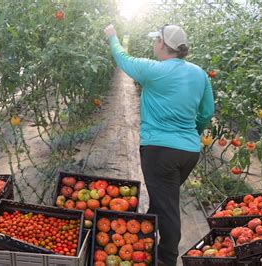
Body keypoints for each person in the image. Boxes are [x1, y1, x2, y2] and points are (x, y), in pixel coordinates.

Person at [104, 24, 214, 265]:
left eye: (156, 40)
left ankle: (166, 259)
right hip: (188, 151)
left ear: (163, 44)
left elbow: (123, 59)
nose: (154, 44)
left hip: (159, 152)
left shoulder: (154, 70)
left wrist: (112, 37)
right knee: (162, 198)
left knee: (168, 208)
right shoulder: (199, 73)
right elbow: (207, 111)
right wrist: (192, 132)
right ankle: (143, 234)